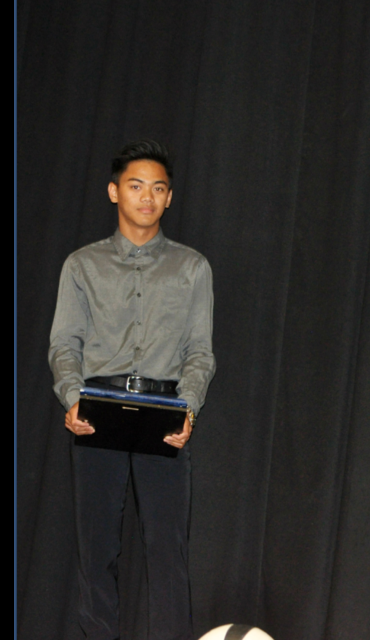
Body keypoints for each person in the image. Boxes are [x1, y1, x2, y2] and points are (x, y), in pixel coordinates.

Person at [49, 140, 216, 640]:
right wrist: (72, 395)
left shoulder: (192, 268)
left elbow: (199, 352)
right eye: (136, 186)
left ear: (169, 199)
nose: (147, 197)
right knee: (96, 551)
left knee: (168, 551)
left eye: (158, 188)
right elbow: (65, 343)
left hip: (164, 408)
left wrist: (186, 409)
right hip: (97, 408)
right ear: (113, 191)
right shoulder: (82, 265)